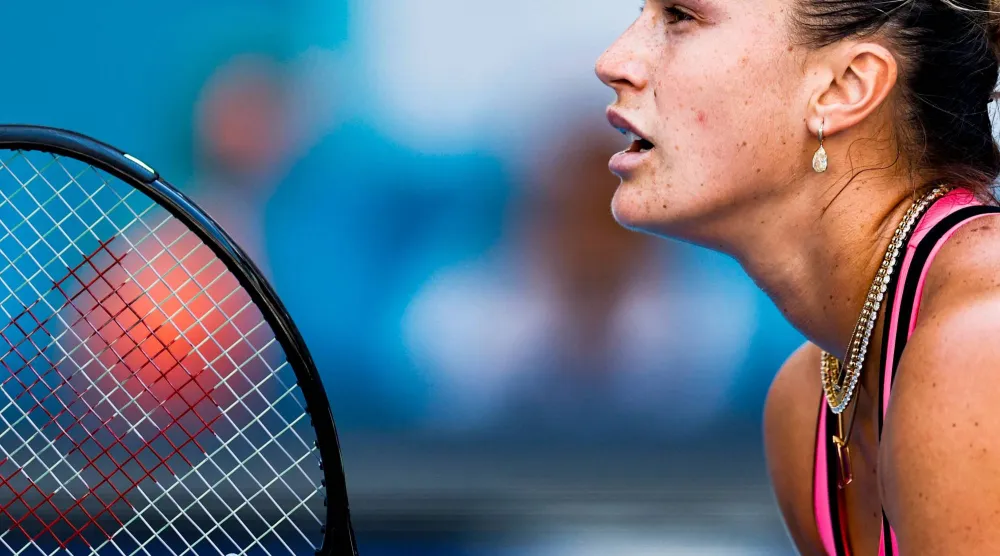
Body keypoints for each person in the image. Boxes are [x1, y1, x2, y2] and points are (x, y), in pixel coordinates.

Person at [596, 1, 1000, 554]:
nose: (613, 61)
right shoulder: (807, 402)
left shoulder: (980, 349)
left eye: (681, 17)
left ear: (845, 87)